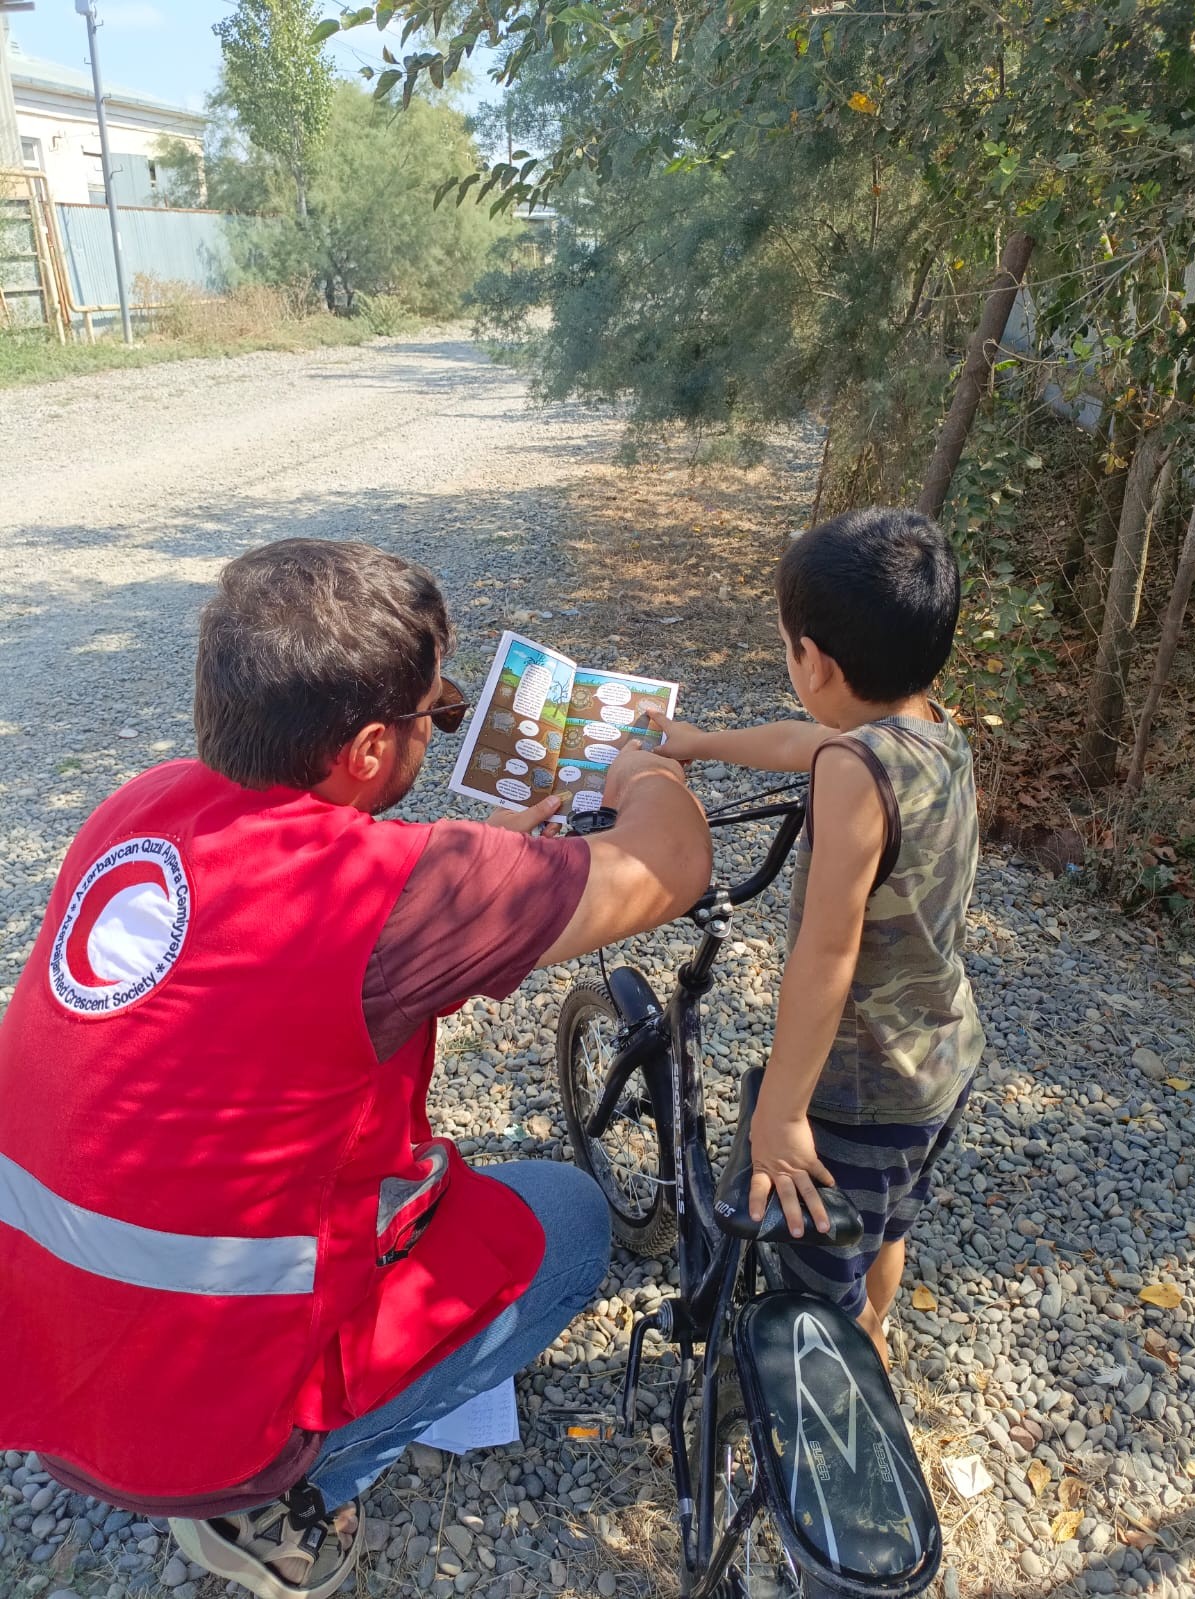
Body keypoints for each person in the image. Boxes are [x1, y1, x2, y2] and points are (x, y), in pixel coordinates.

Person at [0, 539, 712, 1599]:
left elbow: (278, 920)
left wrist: (468, 868)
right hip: (199, 1418)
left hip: (43, 1356)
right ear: (373, 749)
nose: (443, 725)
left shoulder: (135, 809)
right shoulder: (390, 897)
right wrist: (650, 770)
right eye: (438, 714)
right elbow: (671, 866)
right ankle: (274, 1499)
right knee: (568, 1219)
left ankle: (212, 1456)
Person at [647, 506, 983, 1367]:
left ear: (816, 661)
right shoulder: (929, 729)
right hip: (940, 1058)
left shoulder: (852, 775)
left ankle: (828, 1390)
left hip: (859, 1091)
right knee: (883, 1222)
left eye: (789, 648)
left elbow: (827, 952)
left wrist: (782, 1112)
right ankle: (876, 1326)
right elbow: (813, 739)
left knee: (816, 1269)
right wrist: (702, 741)